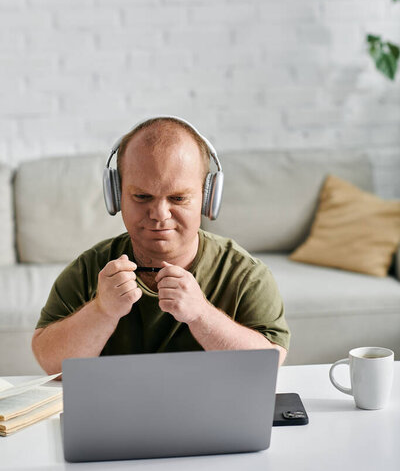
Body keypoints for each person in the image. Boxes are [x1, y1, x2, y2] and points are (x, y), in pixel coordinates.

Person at [32, 117, 290, 374]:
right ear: (116, 195)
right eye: (142, 196)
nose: (159, 214)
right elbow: (50, 363)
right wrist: (102, 311)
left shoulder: (245, 274)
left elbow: (267, 365)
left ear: (207, 198)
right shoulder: (90, 269)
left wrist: (201, 315)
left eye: (178, 198)